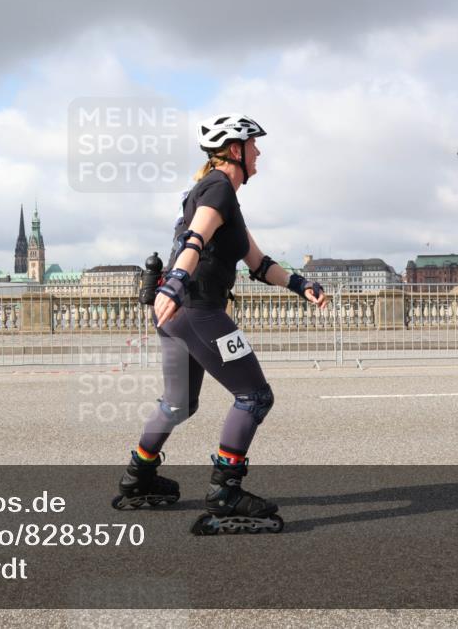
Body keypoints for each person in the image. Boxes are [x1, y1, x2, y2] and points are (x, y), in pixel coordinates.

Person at [112, 113, 328, 533]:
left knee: (178, 405)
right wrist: (175, 281)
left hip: (176, 318)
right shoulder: (218, 189)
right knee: (255, 397)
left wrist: (300, 284)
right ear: (236, 151)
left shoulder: (217, 194)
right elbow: (196, 237)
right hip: (198, 313)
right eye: (254, 145)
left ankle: (137, 476)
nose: (259, 151)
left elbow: (259, 264)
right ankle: (225, 490)